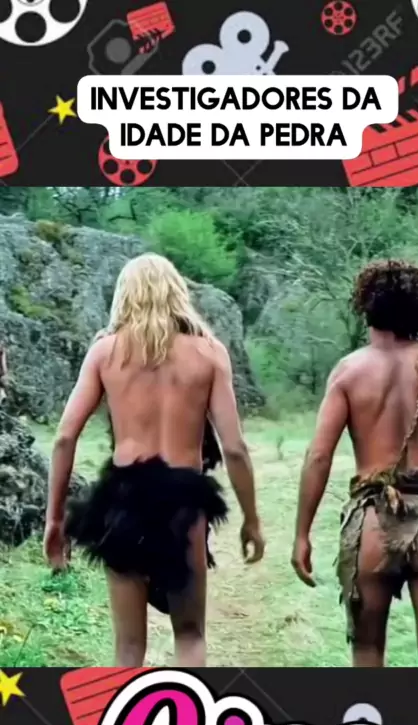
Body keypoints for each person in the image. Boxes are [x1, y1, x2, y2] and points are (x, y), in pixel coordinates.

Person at [43, 254, 265, 667]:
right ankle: (192, 710)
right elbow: (234, 447)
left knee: (128, 648)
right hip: (184, 499)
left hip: (123, 499)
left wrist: (54, 520)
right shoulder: (209, 353)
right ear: (177, 293)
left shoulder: (105, 352)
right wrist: (251, 520)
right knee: (191, 636)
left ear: (124, 296)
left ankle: (126, 712)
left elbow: (64, 437)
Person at [291, 259, 418, 668]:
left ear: (366, 306)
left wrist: (302, 534)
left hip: (372, 525)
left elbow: (319, 456)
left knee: (367, 655)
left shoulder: (349, 371)